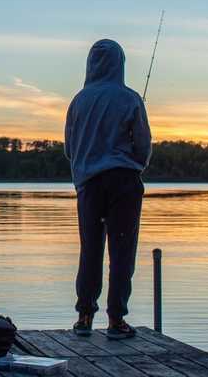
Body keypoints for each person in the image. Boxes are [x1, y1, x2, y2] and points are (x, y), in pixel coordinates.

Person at [64, 39, 151, 340]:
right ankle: (116, 321)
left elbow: (69, 148)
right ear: (121, 64)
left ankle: (85, 316)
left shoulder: (78, 101)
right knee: (122, 251)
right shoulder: (130, 98)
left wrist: (86, 166)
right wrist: (134, 165)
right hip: (124, 182)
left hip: (88, 184)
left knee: (91, 249)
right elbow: (143, 145)